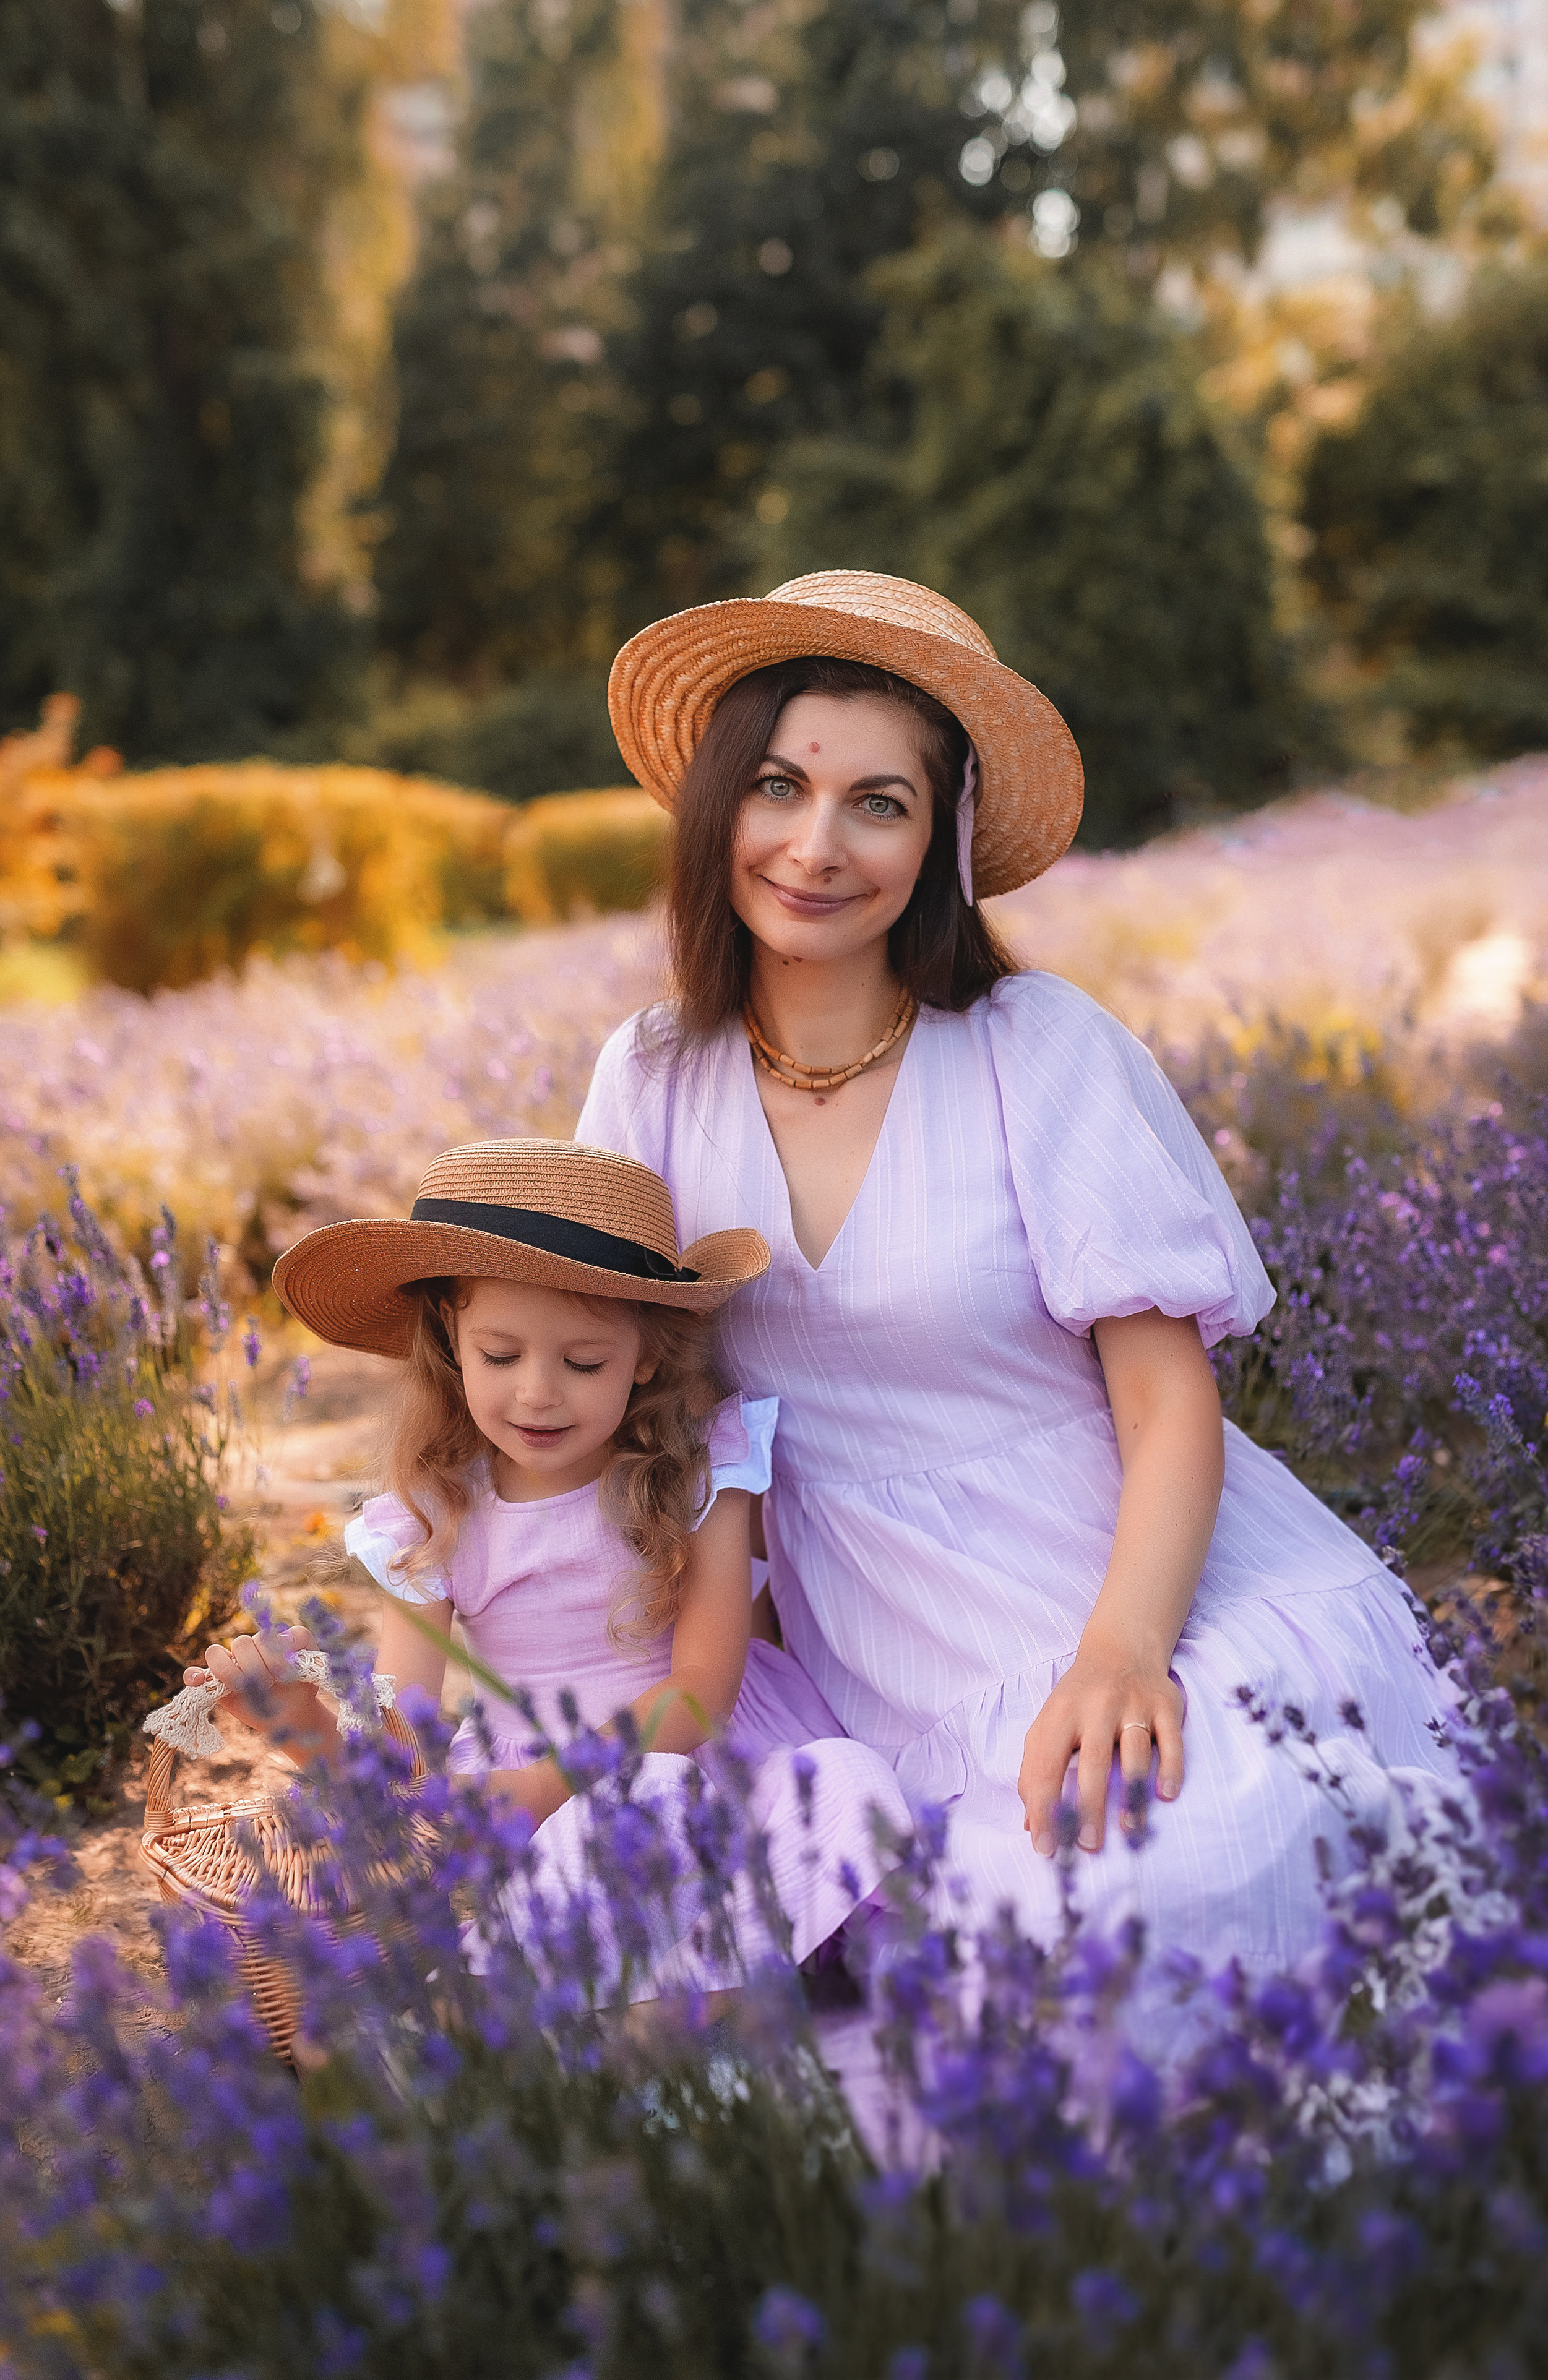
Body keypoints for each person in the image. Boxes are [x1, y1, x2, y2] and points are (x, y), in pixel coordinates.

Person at [574, 569, 1461, 1980]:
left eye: (879, 803)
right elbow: (597, 1387)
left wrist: (1122, 1653)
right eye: (779, 786)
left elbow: (1166, 1401)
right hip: (879, 1644)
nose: (815, 845)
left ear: (939, 842)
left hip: (1147, 1588)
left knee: (1179, 1885)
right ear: (718, 803)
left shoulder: (1033, 1047)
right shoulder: (651, 1076)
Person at [181, 1136, 909, 1993]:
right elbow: (401, 1754)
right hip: (556, 1815)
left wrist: (541, 1786)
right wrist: (304, 1725)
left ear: (645, 1355)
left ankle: (676, 2001)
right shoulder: (437, 1514)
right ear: (451, 1337)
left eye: (584, 1362)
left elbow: (701, 1689)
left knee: (845, 1784)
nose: (536, 1392)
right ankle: (662, 1996)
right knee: (624, 1827)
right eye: (501, 1356)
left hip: (707, 1758)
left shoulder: (700, 1470)